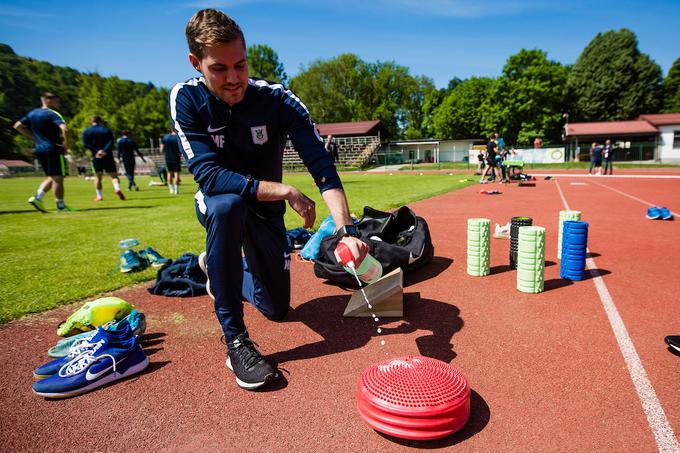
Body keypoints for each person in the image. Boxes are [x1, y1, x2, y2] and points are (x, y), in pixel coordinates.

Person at [171, 9, 368, 390]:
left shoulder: (277, 100)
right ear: (196, 63)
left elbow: (321, 164)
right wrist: (285, 189)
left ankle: (217, 269)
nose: (233, 78)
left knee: (277, 309)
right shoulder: (186, 98)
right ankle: (235, 340)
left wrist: (347, 230)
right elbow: (210, 177)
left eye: (240, 64)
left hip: (266, 213)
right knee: (228, 205)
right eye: (219, 68)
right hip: (218, 204)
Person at [13, 92, 74, 212]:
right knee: (58, 178)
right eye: (57, 101)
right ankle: (60, 206)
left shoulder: (32, 113)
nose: (59, 104)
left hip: (40, 149)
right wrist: (66, 145)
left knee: (52, 176)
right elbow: (65, 129)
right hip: (53, 148)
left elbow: (17, 126)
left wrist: (34, 137)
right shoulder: (52, 114)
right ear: (48, 100)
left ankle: (38, 197)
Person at [82, 116, 125, 201]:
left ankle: (99, 196)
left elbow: (85, 144)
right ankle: (117, 188)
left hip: (96, 156)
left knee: (98, 177)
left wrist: (97, 151)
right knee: (114, 176)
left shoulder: (87, 131)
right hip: (108, 155)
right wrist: (104, 150)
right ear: (100, 121)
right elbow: (111, 142)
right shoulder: (106, 130)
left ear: (91, 121)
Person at [160, 129, 182, 194]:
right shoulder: (178, 138)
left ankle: (171, 189)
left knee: (169, 173)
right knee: (176, 174)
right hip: (176, 158)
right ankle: (176, 190)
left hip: (167, 158)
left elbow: (161, 150)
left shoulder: (165, 137)